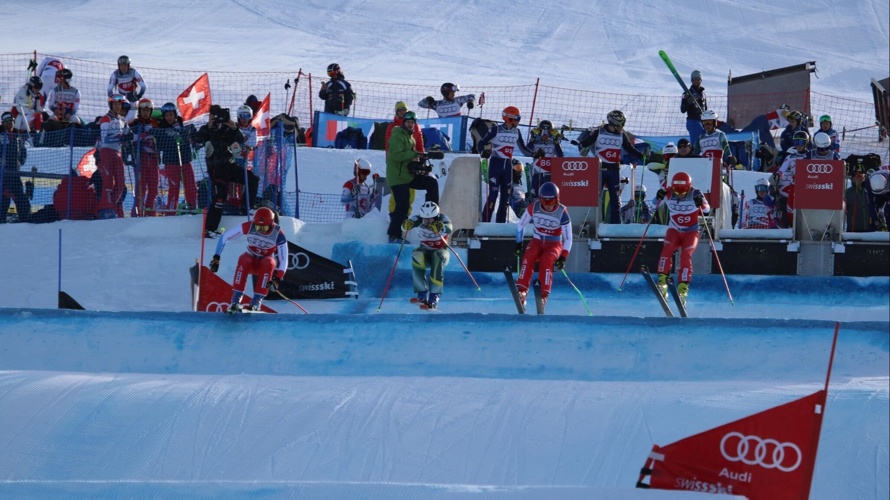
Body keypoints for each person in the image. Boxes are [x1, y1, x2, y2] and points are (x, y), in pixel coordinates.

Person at [194, 105, 258, 235]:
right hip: (216, 169)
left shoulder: (228, 128)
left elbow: (241, 140)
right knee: (219, 198)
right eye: (215, 115)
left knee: (252, 179)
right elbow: (196, 140)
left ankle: (245, 208)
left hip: (230, 165)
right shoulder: (206, 129)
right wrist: (209, 126)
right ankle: (209, 229)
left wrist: (233, 126)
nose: (218, 118)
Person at [209, 207, 287, 313]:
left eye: (263, 228)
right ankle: (235, 301)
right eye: (258, 227)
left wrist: (277, 279)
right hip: (250, 260)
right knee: (244, 259)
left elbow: (284, 259)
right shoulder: (249, 226)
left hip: (264, 263)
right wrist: (216, 257)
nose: (260, 230)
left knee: (268, 262)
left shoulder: (278, 233)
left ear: (271, 224)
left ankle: (256, 302)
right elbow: (225, 237)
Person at [577, 110, 645, 224]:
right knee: (594, 198)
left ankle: (616, 225)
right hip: (600, 170)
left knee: (615, 199)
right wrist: (582, 149)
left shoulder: (622, 135)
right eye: (621, 125)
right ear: (614, 123)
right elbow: (583, 143)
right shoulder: (599, 131)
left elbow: (629, 148)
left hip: (614, 170)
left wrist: (641, 155)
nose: (622, 127)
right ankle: (591, 222)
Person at [513, 182, 572, 311]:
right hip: (537, 241)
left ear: (556, 200)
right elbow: (520, 225)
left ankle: (543, 295)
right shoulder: (534, 207)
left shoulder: (562, 212)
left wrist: (563, 257)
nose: (547, 206)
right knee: (528, 256)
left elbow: (568, 238)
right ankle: (522, 291)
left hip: (554, 244)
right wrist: (518, 243)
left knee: (547, 261)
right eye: (544, 202)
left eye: (550, 202)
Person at [654, 172, 710, 306]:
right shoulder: (668, 192)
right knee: (666, 250)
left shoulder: (696, 193)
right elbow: (653, 205)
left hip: (690, 231)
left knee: (686, 255)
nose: (679, 193)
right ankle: (662, 283)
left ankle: (683, 289)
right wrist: (658, 198)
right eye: (676, 189)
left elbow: (707, 210)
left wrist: (701, 204)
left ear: (689, 187)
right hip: (674, 229)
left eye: (683, 189)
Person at [386, 110, 439, 243]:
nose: (410, 125)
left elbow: (410, 158)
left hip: (408, 176)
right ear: (404, 123)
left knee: (431, 183)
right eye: (408, 122)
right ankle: (393, 235)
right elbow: (395, 156)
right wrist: (415, 154)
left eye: (412, 123)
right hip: (398, 178)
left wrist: (421, 163)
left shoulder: (411, 137)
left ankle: (431, 218)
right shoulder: (397, 135)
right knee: (403, 205)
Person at [477, 106, 535, 223]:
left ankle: (500, 226)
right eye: (517, 118)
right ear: (510, 118)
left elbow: (523, 149)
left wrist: (536, 154)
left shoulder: (517, 132)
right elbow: (481, 142)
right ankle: (485, 224)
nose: (519, 121)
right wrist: (484, 152)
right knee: (492, 196)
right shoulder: (496, 129)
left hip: (507, 166)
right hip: (495, 164)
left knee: (505, 199)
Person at [401, 201, 453, 309]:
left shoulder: (442, 218)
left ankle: (434, 297)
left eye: (431, 219)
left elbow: (449, 228)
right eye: (425, 219)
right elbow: (404, 226)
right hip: (425, 251)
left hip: (441, 251)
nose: (428, 222)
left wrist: (441, 226)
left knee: (438, 256)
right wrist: (405, 225)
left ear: (436, 216)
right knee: (417, 254)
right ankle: (421, 295)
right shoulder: (418, 219)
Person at [384, 101, 425, 218]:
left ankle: (406, 215)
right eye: (399, 110)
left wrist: (421, 158)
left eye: (404, 110)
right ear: (396, 112)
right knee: (397, 191)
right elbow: (388, 146)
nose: (402, 112)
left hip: (412, 162)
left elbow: (420, 144)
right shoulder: (392, 127)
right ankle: (393, 213)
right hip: (397, 163)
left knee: (411, 192)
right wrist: (389, 160)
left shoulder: (414, 126)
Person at [156, 102, 198, 213]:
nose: (169, 118)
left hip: (185, 160)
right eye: (167, 116)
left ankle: (192, 208)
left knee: (191, 187)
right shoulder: (162, 128)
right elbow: (159, 144)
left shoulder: (184, 123)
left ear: (175, 114)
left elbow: (194, 134)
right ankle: (171, 211)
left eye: (171, 115)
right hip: (171, 163)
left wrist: (194, 139)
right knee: (174, 188)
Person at [96, 93, 131, 219]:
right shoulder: (106, 119)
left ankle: (115, 207)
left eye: (119, 104)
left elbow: (128, 133)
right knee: (108, 182)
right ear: (111, 105)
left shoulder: (122, 120)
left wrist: (129, 136)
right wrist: (120, 137)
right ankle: (105, 209)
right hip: (106, 152)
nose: (117, 106)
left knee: (121, 183)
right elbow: (104, 138)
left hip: (118, 153)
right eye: (115, 104)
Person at [772, 130, 809, 228]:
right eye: (796, 142)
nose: (798, 145)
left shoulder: (810, 156)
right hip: (793, 185)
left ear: (806, 143)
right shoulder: (791, 156)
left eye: (801, 142)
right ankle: (791, 228)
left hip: (807, 186)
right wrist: (776, 176)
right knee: (790, 208)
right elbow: (781, 170)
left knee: (804, 208)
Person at [129, 98, 160, 216]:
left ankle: (150, 212)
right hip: (140, 159)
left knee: (153, 188)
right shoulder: (135, 123)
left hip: (153, 159)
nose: (145, 113)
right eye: (143, 110)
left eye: (148, 110)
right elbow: (130, 137)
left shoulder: (155, 124)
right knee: (141, 189)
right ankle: (137, 212)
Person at [0, 111, 31, 223]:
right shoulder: (0, 134)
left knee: (20, 197)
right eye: (7, 122)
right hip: (2, 173)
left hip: (14, 172)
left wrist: (21, 161)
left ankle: (24, 219)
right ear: (3, 123)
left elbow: (23, 150)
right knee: (3, 197)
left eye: (11, 121)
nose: (10, 124)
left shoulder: (18, 135)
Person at [526, 120, 564, 198]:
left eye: (547, 132)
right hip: (536, 174)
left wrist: (557, 142)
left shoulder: (554, 143)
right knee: (534, 196)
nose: (545, 135)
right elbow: (526, 152)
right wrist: (532, 139)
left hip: (549, 174)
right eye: (542, 132)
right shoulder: (536, 142)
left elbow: (561, 156)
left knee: (549, 195)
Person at [107, 55, 146, 121]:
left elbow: (144, 86)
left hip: (132, 100)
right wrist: (112, 100)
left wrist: (138, 96)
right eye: (121, 65)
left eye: (125, 65)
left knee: (130, 120)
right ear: (118, 66)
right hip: (121, 101)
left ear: (128, 65)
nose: (123, 67)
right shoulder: (115, 74)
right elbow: (109, 89)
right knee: (117, 119)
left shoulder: (134, 72)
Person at [681, 69, 707, 145]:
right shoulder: (687, 93)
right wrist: (689, 102)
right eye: (694, 79)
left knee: (704, 141)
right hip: (692, 121)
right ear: (691, 80)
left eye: (698, 79)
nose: (696, 80)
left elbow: (705, 109)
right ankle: (694, 154)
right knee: (696, 143)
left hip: (701, 122)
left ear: (701, 80)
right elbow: (682, 109)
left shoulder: (703, 94)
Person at [844, 163, 872, 232]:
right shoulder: (848, 192)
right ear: (852, 179)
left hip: (868, 227)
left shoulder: (868, 191)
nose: (859, 179)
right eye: (856, 177)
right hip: (854, 228)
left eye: (860, 176)